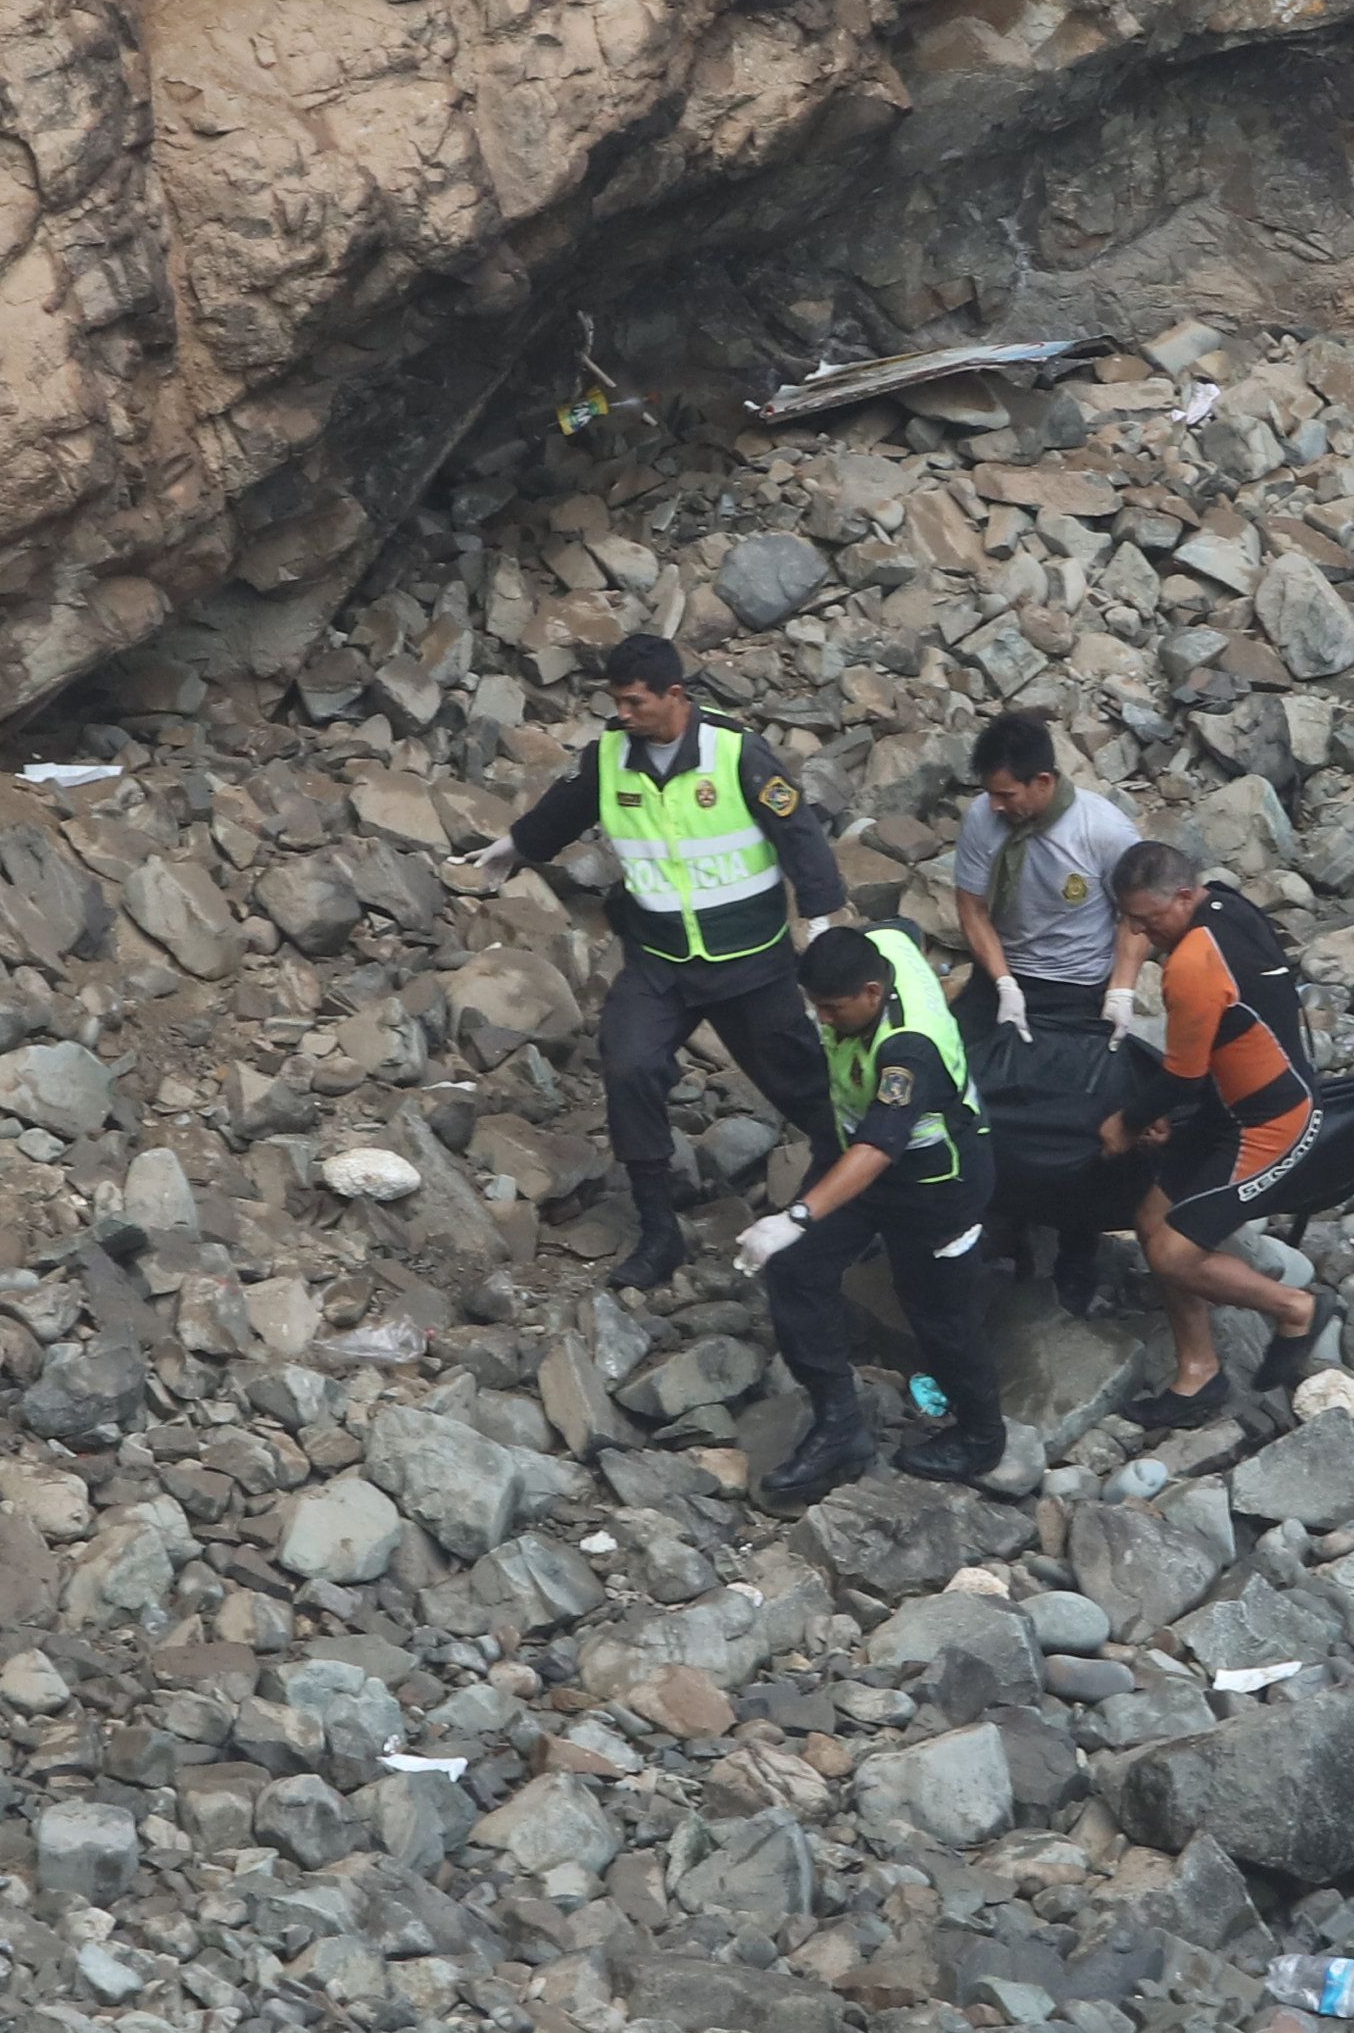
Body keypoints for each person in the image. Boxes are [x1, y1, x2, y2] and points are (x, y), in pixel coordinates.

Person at [466, 632, 845, 1289]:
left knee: (804, 1084)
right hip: (661, 962)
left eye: (635, 701)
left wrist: (821, 913)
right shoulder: (610, 756)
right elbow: (564, 807)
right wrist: (516, 846)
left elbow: (799, 833)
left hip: (751, 962)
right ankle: (658, 1230)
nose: (623, 714)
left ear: (675, 694)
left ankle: (846, 1195)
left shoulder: (736, 753)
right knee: (630, 1064)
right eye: (616, 701)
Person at [737, 926, 1010, 1506]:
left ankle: (982, 1435)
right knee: (795, 1270)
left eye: (833, 1010)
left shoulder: (908, 1050)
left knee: (938, 1313)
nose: (825, 1021)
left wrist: (799, 1214)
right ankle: (838, 1423)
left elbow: (883, 1145)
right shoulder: (884, 946)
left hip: (936, 1182)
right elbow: (897, 930)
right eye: (817, 1008)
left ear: (870, 991)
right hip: (854, 1156)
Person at [1096, 844, 1330, 1427]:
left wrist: (1125, 1123)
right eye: (1130, 922)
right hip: (1228, 1109)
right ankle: (1198, 1372)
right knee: (1151, 1221)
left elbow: (1182, 1074)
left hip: (1273, 1123)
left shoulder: (1194, 963)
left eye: (1149, 922)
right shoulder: (1225, 902)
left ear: (1183, 897)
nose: (1142, 936)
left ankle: (1296, 1308)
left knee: (1173, 1254)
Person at [951, 711, 1146, 1313]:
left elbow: (1137, 916)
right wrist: (1003, 982)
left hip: (1080, 985)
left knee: (1082, 1121)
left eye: (1008, 794)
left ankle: (1077, 1245)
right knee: (959, 1088)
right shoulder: (985, 821)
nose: (998, 806)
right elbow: (972, 907)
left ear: (1043, 781)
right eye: (991, 794)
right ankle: (989, 1212)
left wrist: (1121, 989)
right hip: (1006, 975)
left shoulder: (1102, 831)